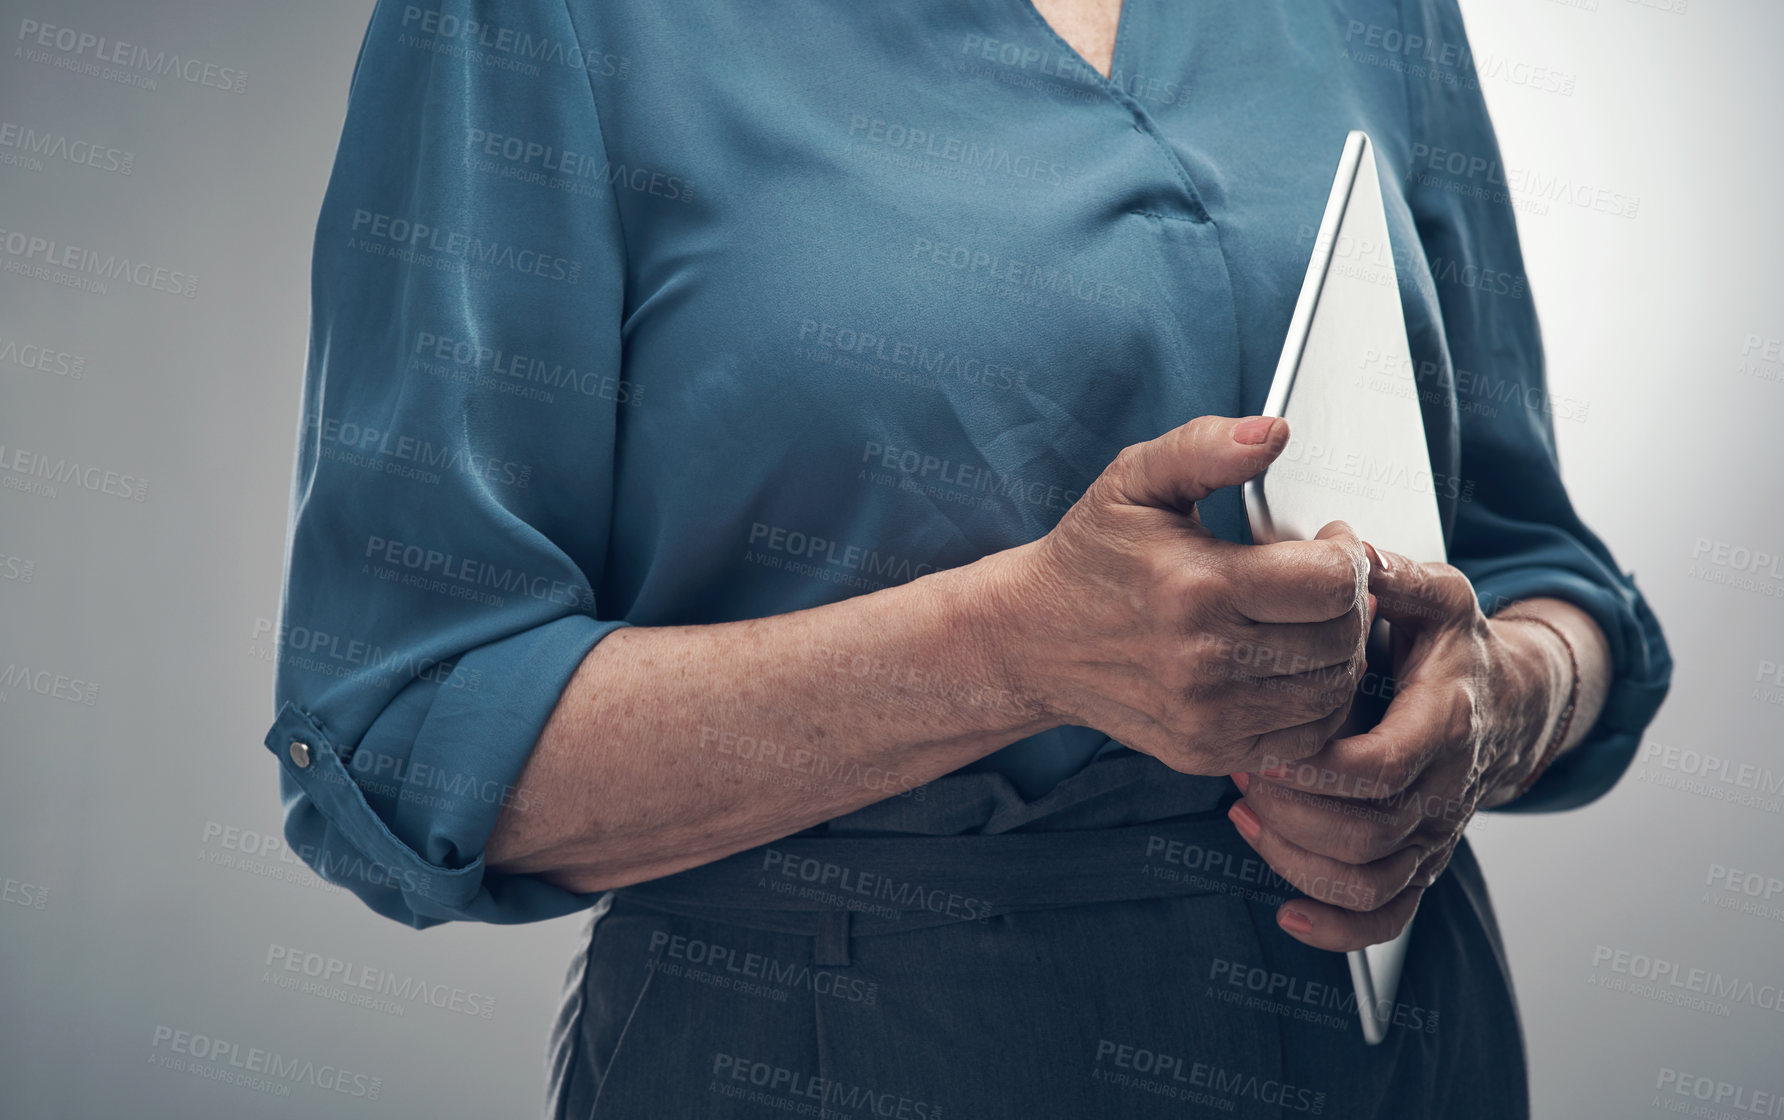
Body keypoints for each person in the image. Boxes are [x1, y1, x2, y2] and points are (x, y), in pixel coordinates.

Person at [265, 0, 1671, 1116]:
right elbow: (405, 739)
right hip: (855, 1048)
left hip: (1403, 1048)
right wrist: (1011, 651)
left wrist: (1502, 707)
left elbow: (1543, 570)